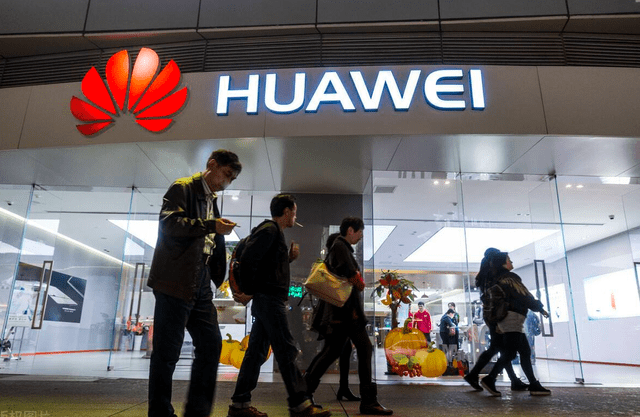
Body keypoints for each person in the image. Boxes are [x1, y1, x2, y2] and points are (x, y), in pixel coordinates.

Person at [147, 149, 242, 417]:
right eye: (226, 174)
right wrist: (211, 225)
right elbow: (169, 224)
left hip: (199, 279)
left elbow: (208, 239)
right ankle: (160, 413)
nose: (227, 183)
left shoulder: (211, 199)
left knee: (211, 345)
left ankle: (197, 412)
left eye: (232, 179)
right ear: (212, 164)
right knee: (167, 351)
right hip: (175, 278)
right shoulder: (183, 187)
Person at [228, 194, 330, 417]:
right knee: (286, 349)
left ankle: (239, 405)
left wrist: (287, 257)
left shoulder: (274, 233)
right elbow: (249, 260)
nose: (295, 217)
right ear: (286, 212)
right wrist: (249, 291)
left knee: (256, 353)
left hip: (267, 299)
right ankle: (300, 405)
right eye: (294, 212)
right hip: (269, 300)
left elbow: (267, 266)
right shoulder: (270, 230)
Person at [305, 217, 392, 415]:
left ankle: (304, 393)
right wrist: (360, 283)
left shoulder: (339, 246)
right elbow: (353, 276)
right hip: (347, 312)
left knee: (332, 351)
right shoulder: (341, 246)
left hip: (341, 311)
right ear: (351, 230)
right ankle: (368, 401)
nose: (361, 236)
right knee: (364, 349)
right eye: (360, 232)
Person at [479, 251, 551, 397]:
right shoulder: (510, 278)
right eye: (509, 260)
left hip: (504, 318)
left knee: (523, 351)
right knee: (512, 352)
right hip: (512, 318)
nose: (511, 262)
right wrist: (539, 307)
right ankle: (490, 379)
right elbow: (524, 295)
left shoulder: (494, 279)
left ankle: (533, 384)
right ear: (503, 263)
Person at [463, 248, 529, 392]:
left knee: (499, 348)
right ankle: (481, 376)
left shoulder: (484, 274)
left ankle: (511, 380)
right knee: (502, 349)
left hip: (491, 314)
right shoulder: (494, 274)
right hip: (500, 314)